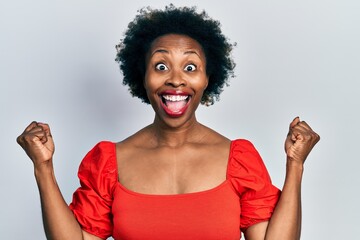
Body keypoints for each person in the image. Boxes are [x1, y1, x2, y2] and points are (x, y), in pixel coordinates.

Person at [16, 5, 320, 240]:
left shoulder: (238, 159)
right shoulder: (109, 162)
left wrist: (295, 165)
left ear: (206, 79)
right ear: (143, 77)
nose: (176, 79)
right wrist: (43, 168)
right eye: (161, 66)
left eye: (190, 66)